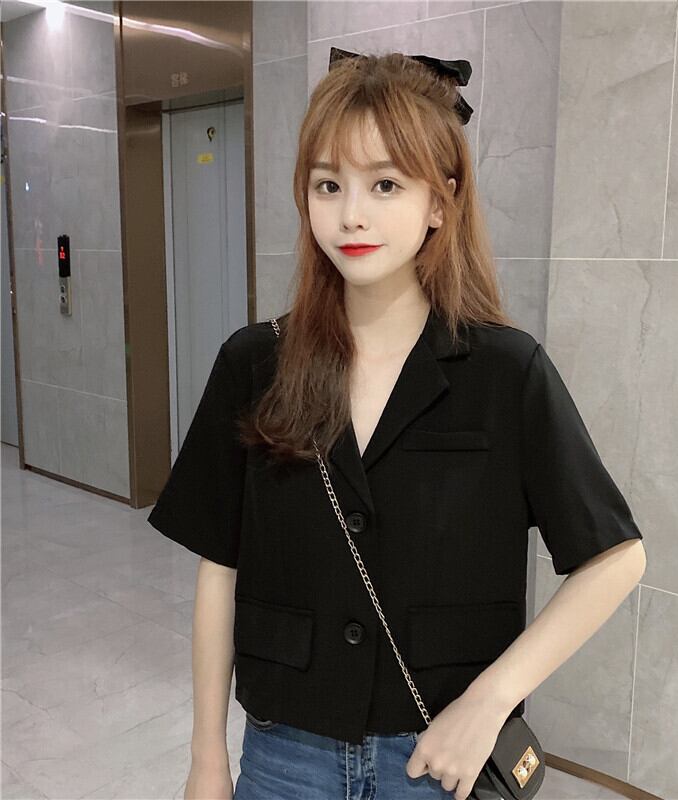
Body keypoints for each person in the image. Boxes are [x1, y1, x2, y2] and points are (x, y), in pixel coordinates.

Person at [147, 49, 646, 800]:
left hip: (436, 759)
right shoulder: (254, 363)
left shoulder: (504, 371)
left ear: (441, 201)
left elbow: (615, 558)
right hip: (286, 754)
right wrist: (206, 756)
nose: (351, 214)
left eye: (385, 184)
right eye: (328, 184)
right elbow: (220, 566)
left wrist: (489, 701)